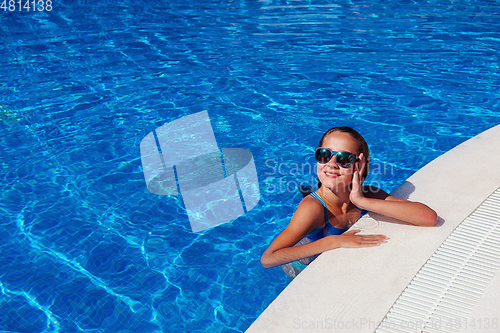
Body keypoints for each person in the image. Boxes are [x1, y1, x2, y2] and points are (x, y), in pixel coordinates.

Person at [260, 126, 437, 279]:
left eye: (344, 159)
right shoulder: (312, 209)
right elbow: (268, 258)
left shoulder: (368, 194)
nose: (331, 164)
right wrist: (333, 242)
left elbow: (428, 218)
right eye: (324, 154)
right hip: (303, 265)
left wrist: (361, 201)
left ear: (359, 166)